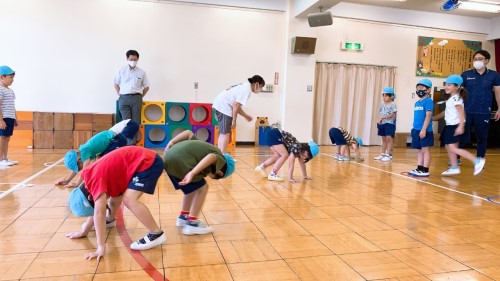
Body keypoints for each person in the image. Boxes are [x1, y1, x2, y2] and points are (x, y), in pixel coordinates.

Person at [67, 146, 165, 260]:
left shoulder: (95, 180)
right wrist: (84, 231)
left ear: (90, 196)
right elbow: (97, 210)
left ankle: (156, 233)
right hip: (141, 160)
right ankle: (110, 219)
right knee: (116, 195)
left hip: (148, 162)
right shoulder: (88, 178)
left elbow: (99, 213)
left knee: (129, 199)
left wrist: (100, 247)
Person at [163, 130, 235, 235]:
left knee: (191, 189)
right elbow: (211, 157)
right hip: (181, 161)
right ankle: (192, 223)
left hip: (169, 159)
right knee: (203, 188)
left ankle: (183, 217)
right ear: (219, 172)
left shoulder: (201, 148)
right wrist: (192, 172)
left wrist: (171, 142)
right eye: (214, 177)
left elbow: (188, 133)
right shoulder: (220, 157)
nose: (210, 176)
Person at [56, 120, 139, 188]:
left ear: (79, 160)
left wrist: (77, 184)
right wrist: (67, 180)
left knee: (104, 159)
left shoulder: (84, 151)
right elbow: (78, 169)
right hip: (115, 138)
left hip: (122, 133)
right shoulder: (85, 152)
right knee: (100, 159)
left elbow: (85, 170)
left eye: (79, 167)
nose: (79, 169)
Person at [434, 74, 486, 176]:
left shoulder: (456, 99)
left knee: (453, 148)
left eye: (449, 85)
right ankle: (454, 167)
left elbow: (462, 113)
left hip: (455, 126)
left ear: (457, 86)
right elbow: (448, 112)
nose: (446, 87)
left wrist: (461, 126)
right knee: (448, 146)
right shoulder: (451, 99)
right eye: (446, 84)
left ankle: (477, 161)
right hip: (450, 126)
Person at [459, 50, 500, 163]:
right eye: (475, 59)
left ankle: (480, 159)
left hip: (483, 111)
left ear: (486, 61)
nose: (477, 61)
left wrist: (499, 109)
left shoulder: (494, 75)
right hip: (466, 110)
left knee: (482, 137)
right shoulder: (466, 75)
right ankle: (456, 159)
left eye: (480, 59)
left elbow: (498, 92)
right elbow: (459, 92)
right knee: (462, 135)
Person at [212, 75, 265, 153]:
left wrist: (245, 116)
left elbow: (237, 105)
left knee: (224, 132)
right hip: (223, 106)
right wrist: (234, 120)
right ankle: (222, 155)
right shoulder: (247, 90)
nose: (261, 90)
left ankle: (220, 153)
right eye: (261, 87)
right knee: (226, 133)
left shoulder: (245, 86)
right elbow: (236, 105)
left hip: (220, 105)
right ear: (256, 84)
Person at [254, 128, 319, 182]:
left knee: (278, 156)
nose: (306, 156)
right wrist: (290, 178)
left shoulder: (301, 151)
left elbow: (302, 163)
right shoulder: (297, 147)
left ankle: (261, 167)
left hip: (271, 134)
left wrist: (305, 175)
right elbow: (291, 164)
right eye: (308, 154)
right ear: (306, 149)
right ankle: (272, 174)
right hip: (274, 134)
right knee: (285, 155)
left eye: (309, 157)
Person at [114, 50, 150, 142]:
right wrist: (120, 94)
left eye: (135, 59)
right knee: (125, 122)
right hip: (123, 98)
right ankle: (126, 143)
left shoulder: (141, 72)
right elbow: (116, 84)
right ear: (127, 59)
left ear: (138, 59)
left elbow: (146, 86)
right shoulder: (121, 70)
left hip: (136, 98)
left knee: (135, 122)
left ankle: (132, 144)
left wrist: (140, 96)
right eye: (131, 59)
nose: (133, 61)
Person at [408, 78, 434, 177]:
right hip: (416, 129)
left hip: (425, 130)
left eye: (422, 87)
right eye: (418, 87)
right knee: (419, 150)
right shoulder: (417, 103)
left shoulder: (428, 101)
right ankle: (419, 167)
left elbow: (428, 116)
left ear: (428, 90)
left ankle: (425, 169)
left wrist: (423, 129)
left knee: (425, 150)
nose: (420, 89)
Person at [0, 66, 17, 166]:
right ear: (2, 77)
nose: (12, 80)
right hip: (3, 117)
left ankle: (5, 158)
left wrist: (15, 118)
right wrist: (1, 120)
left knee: (7, 137)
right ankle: (0, 159)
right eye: (10, 77)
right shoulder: (0, 90)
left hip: (10, 117)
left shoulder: (10, 91)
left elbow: (12, 105)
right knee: (2, 138)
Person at [374, 87, 397, 162]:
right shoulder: (382, 105)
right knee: (383, 139)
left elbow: (392, 115)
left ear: (391, 96)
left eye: (386, 95)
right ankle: (383, 154)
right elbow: (381, 113)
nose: (384, 97)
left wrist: (383, 117)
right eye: (383, 95)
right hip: (383, 123)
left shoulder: (393, 104)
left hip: (390, 124)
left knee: (389, 139)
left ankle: (388, 155)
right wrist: (380, 119)